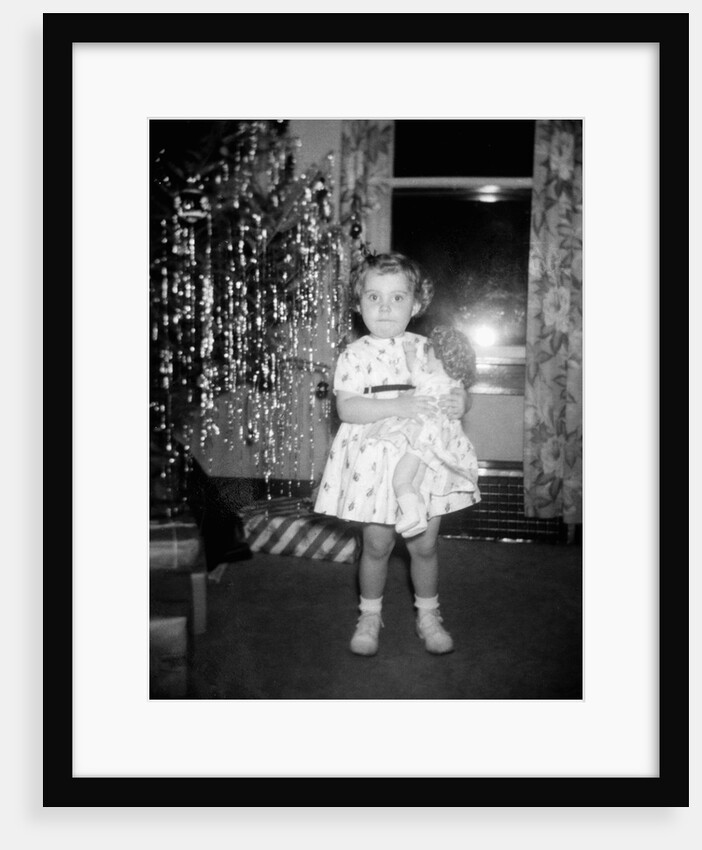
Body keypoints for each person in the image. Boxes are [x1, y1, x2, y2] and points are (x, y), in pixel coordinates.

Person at [314, 252, 481, 657]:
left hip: (423, 460)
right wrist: (397, 407)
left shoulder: (429, 348)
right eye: (374, 297)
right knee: (377, 546)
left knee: (424, 545)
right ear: (358, 303)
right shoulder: (354, 355)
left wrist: (462, 403)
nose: (384, 307)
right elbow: (348, 409)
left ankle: (428, 614)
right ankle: (369, 614)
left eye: (396, 298)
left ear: (416, 304)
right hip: (374, 463)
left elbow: (452, 391)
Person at [363, 324, 479, 539]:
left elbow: (415, 371)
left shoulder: (431, 378)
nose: (425, 358)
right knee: (416, 481)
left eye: (429, 355)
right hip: (437, 443)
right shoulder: (454, 381)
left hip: (421, 438)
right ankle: (415, 515)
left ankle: (409, 513)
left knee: (402, 479)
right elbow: (461, 393)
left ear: (441, 359)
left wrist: (409, 353)